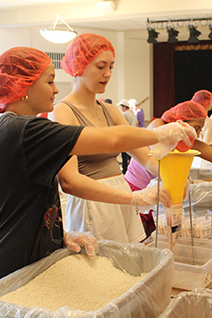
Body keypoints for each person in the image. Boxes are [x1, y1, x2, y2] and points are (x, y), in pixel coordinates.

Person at [0, 46, 195, 295]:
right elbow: (110, 142)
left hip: (27, 263)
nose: (56, 89)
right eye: (50, 81)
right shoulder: (21, 130)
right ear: (24, 86)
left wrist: (57, 236)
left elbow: (22, 202)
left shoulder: (16, 129)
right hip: (7, 272)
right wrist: (159, 134)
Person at [50, 33, 181, 243]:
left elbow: (146, 158)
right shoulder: (63, 112)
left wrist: (176, 178)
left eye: (111, 67)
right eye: (101, 67)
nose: (108, 73)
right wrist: (134, 197)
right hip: (93, 201)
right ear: (78, 66)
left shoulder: (110, 111)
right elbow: (70, 180)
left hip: (122, 196)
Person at [125, 100, 212, 237]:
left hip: (162, 198)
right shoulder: (158, 126)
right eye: (196, 128)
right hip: (137, 191)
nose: (196, 134)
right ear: (180, 121)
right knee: (138, 239)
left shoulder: (189, 142)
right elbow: (149, 161)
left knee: (157, 241)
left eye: (199, 130)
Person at [118, 99, 137, 174]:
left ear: (124, 107)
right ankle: (132, 170)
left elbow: (122, 126)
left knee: (124, 155)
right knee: (132, 155)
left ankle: (125, 170)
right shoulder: (133, 113)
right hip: (133, 135)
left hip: (126, 136)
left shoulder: (124, 114)